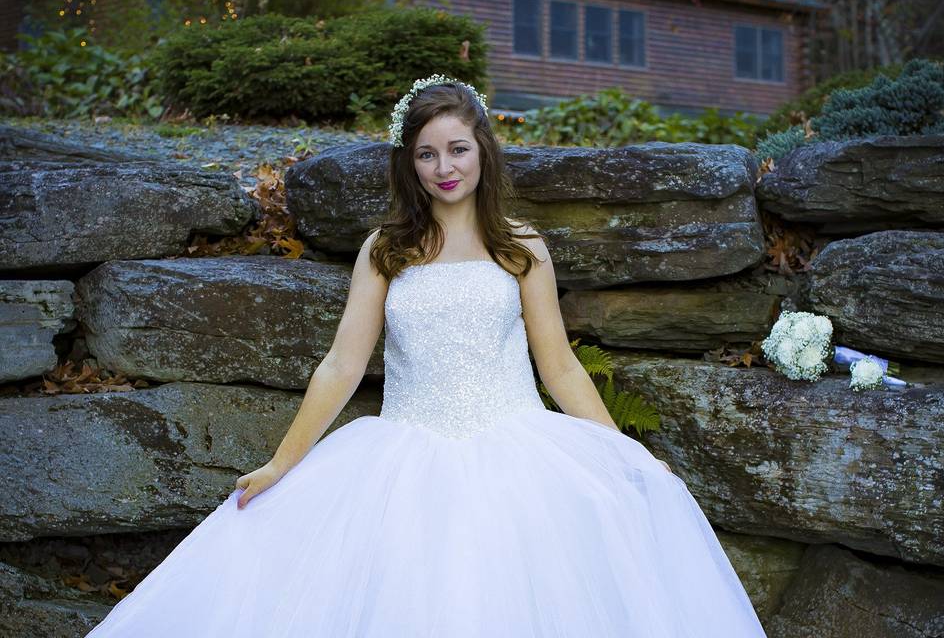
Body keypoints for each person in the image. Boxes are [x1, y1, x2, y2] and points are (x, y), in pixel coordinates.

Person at [85, 74, 768, 637]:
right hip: (404, 459)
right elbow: (342, 365)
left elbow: (558, 367)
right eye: (427, 154)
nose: (445, 168)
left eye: (459, 150)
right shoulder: (387, 249)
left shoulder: (520, 245)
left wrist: (622, 454)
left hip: (519, 457)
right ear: (408, 161)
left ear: (484, 153)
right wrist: (281, 462)